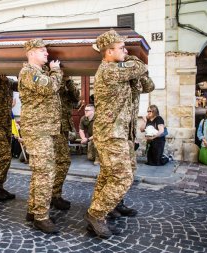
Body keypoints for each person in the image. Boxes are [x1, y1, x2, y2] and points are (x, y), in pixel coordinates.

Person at [84, 30, 148, 238]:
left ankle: (101, 212)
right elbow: (140, 66)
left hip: (117, 131)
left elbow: (146, 82)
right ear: (109, 52)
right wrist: (130, 57)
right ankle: (96, 214)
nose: (125, 51)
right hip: (111, 132)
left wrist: (125, 58)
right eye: (121, 48)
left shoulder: (117, 68)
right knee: (122, 177)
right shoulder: (110, 70)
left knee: (107, 176)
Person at [18, 38, 63, 233]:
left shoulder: (39, 72)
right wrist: (56, 71)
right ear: (30, 53)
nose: (47, 53)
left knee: (40, 172)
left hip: (45, 129)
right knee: (45, 173)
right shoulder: (29, 72)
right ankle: (41, 217)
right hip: (37, 130)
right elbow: (49, 87)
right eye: (42, 51)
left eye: (47, 50)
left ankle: (33, 209)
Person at [109, 59, 155, 220]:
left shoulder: (134, 79)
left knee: (129, 171)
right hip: (116, 132)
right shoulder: (115, 73)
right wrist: (133, 64)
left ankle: (118, 202)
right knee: (114, 172)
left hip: (128, 132)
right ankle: (109, 205)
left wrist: (140, 71)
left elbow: (150, 86)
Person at [50, 76, 80, 210]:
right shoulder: (50, 78)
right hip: (53, 128)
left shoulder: (67, 83)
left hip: (64, 127)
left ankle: (54, 195)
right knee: (61, 161)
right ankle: (53, 196)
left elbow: (76, 98)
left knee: (61, 162)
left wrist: (68, 81)